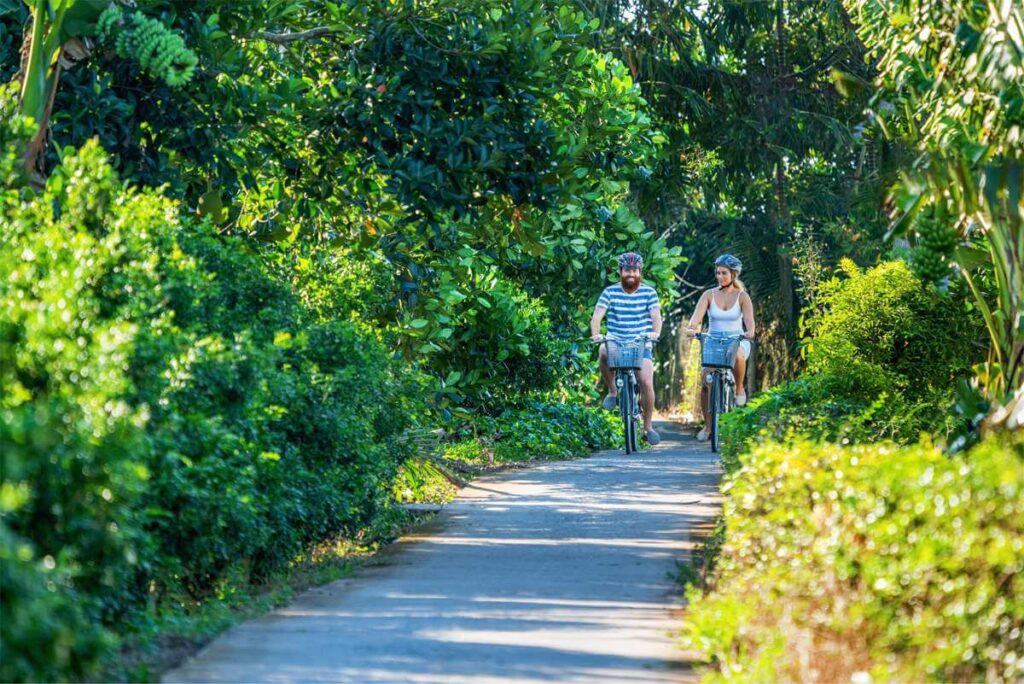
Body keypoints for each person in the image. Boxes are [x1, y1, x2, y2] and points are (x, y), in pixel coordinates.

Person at [590, 252, 663, 446]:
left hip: (641, 344)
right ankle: (613, 391)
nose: (630, 273)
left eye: (634, 270)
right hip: (616, 342)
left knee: (646, 382)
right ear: (620, 271)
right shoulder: (609, 292)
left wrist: (655, 333)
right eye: (627, 270)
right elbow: (597, 316)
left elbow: (656, 316)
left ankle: (648, 427)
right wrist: (596, 334)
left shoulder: (649, 293)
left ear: (640, 272)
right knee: (602, 352)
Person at [685, 254, 756, 442]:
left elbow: (749, 322)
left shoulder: (742, 297)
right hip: (714, 341)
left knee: (739, 356)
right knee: (706, 381)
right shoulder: (708, 295)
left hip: (736, 340)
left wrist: (749, 332)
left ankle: (740, 388)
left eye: (724, 273)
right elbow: (696, 318)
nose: (720, 277)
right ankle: (708, 427)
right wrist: (692, 328)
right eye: (718, 273)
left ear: (733, 274)